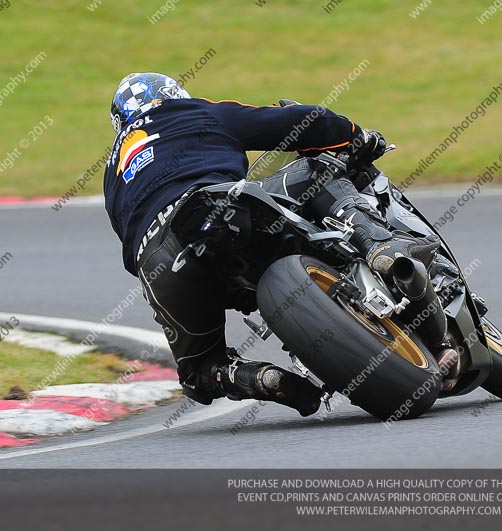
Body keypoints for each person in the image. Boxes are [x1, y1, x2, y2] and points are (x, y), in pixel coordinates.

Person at [103, 72, 440, 416]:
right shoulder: (191, 112)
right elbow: (302, 122)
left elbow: (127, 244)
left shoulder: (112, 172)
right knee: (315, 169)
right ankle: (380, 248)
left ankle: (257, 378)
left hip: (157, 264)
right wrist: (357, 136)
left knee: (200, 372)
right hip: (215, 209)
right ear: (174, 94)